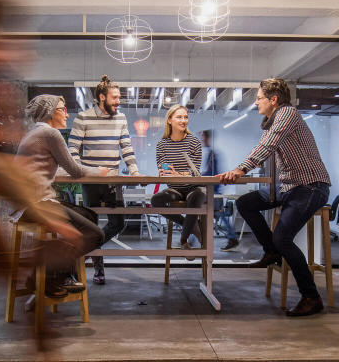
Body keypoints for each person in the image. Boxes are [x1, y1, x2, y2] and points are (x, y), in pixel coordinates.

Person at [219, 78, 331, 317]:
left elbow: (268, 144)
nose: (257, 102)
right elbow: (266, 145)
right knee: (245, 203)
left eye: (259, 98)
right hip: (287, 187)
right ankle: (271, 252)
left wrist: (241, 169)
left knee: (283, 239)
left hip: (309, 186)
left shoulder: (287, 113)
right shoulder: (273, 120)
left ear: (274, 99)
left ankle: (311, 297)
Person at [17, 94, 107, 294]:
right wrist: (99, 171)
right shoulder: (50, 134)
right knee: (96, 234)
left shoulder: (35, 133)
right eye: (62, 109)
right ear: (50, 112)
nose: (67, 113)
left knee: (89, 215)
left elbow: (47, 167)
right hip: (36, 204)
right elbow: (76, 171)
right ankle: (46, 275)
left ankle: (63, 275)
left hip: (27, 203)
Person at [68, 75, 142, 285]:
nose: (119, 101)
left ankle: (80, 253)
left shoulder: (121, 119)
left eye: (119, 97)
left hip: (113, 181)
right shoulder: (83, 117)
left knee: (117, 223)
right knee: (91, 225)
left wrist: (135, 171)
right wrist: (84, 170)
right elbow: (72, 149)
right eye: (115, 97)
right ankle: (98, 270)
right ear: (102, 97)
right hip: (91, 181)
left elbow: (126, 148)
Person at [152, 105, 204, 255]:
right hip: (174, 188)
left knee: (198, 195)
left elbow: (195, 172)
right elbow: (163, 171)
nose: (183, 120)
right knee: (156, 200)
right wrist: (164, 173)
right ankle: (191, 226)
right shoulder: (162, 145)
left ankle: (183, 239)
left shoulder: (194, 142)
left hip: (192, 187)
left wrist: (178, 174)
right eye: (179, 117)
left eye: (185, 117)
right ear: (169, 120)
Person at [201, 129, 239, 251]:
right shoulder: (212, 154)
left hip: (213, 189)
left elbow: (212, 172)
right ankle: (232, 237)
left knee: (211, 213)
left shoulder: (213, 154)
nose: (202, 140)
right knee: (214, 214)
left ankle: (232, 237)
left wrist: (199, 177)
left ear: (208, 138)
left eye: (203, 138)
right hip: (212, 189)